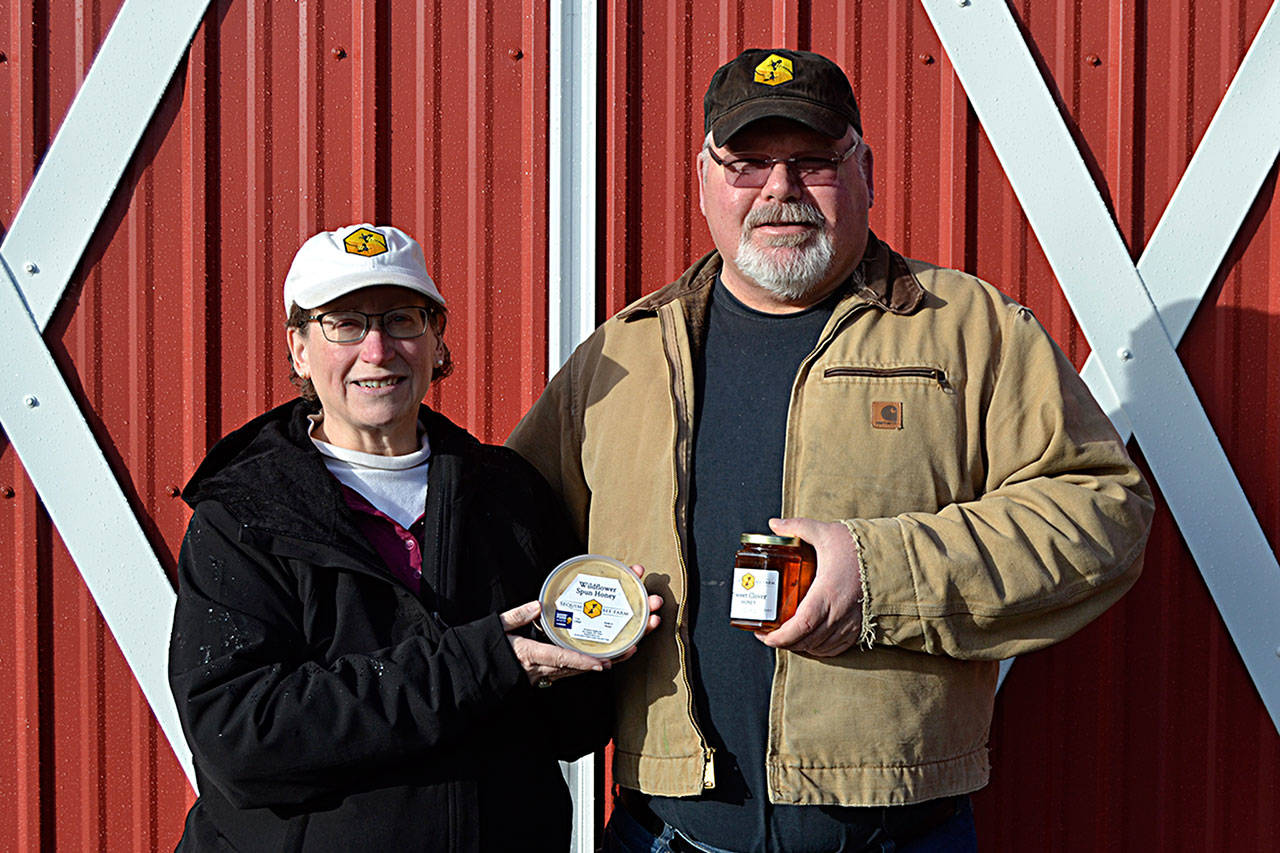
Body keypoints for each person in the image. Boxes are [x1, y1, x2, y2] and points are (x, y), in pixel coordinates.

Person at [508, 49, 1154, 852]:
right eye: (747, 163)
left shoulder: (968, 328)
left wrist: (882, 572)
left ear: (865, 170)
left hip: (896, 834)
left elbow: (1102, 510)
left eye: (813, 161)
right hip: (664, 832)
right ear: (703, 177)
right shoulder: (625, 355)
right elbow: (507, 531)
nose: (780, 189)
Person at [168, 223, 659, 851]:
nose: (377, 350)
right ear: (298, 349)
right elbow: (239, 737)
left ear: (435, 340)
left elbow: (571, 733)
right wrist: (483, 664)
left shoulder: (507, 494)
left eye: (401, 319)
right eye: (344, 324)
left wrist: (598, 639)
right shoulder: (247, 514)